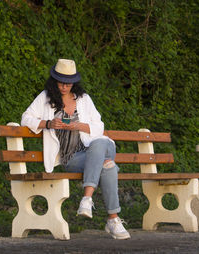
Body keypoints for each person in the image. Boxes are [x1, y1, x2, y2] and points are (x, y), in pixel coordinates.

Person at [21, 59, 131, 240]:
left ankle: (87, 199)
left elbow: (99, 126)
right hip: (73, 158)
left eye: (68, 83)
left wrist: (80, 126)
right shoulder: (46, 98)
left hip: (95, 147)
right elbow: (26, 118)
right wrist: (48, 123)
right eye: (61, 82)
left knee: (101, 143)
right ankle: (113, 219)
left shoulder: (84, 99)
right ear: (54, 80)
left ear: (74, 82)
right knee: (108, 166)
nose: (64, 86)